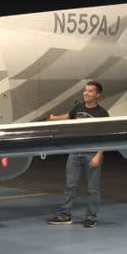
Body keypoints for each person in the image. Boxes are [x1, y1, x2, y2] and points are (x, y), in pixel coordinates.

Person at [47, 81, 109, 227]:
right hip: (75, 152)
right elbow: (69, 116)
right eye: (85, 90)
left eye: (90, 91)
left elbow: (105, 136)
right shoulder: (78, 108)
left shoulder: (102, 113)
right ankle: (64, 216)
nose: (86, 93)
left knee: (93, 189)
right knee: (70, 185)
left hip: (91, 153)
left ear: (97, 95)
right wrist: (53, 118)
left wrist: (98, 155)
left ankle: (91, 217)